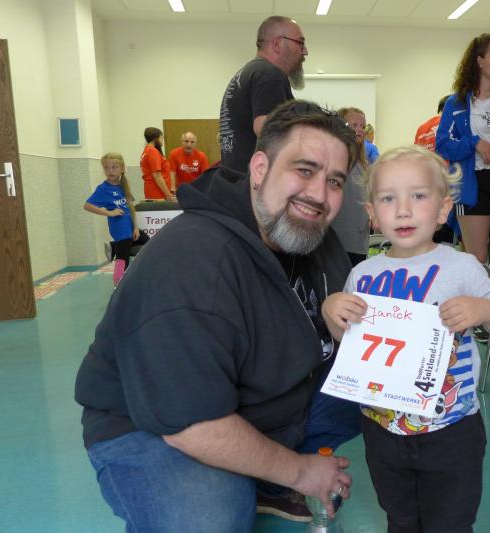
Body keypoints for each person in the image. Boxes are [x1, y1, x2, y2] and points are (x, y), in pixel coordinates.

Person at [75, 100, 362, 531]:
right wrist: (301, 472)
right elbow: (189, 424)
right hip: (152, 425)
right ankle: (264, 470)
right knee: (206, 520)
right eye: (304, 170)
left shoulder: (315, 240)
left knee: (378, 391)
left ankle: (262, 474)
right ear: (260, 168)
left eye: (334, 181)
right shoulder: (192, 260)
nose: (319, 195)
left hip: (259, 399)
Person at [322, 145, 490, 532]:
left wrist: (483, 309)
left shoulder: (461, 266)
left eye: (419, 196)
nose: (403, 210)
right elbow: (348, 341)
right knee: (400, 517)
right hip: (382, 427)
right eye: (388, 199)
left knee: (451, 521)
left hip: (451, 429)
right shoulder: (362, 275)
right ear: (372, 213)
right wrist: (331, 311)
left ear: (443, 209)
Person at [436, 33, 490, 267]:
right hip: (473, 186)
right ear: (480, 61)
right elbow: (442, 144)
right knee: (476, 259)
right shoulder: (456, 103)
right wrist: (474, 143)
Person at [219, 16, 306, 175]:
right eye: (300, 43)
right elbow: (266, 129)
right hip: (254, 184)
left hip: (235, 180)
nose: (305, 51)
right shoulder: (270, 75)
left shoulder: (248, 72)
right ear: (278, 44)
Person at [84, 153, 149, 286]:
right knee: (123, 259)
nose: (110, 171)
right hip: (120, 230)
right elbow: (88, 205)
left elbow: (130, 208)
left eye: (114, 167)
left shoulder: (123, 185)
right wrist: (109, 212)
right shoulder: (103, 189)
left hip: (130, 228)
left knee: (147, 242)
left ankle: (114, 247)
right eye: (106, 168)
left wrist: (136, 227)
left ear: (122, 169)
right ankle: (118, 284)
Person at [331, 107, 371, 266]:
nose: (359, 130)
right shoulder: (335, 160)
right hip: (339, 241)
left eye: (363, 126)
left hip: (359, 241)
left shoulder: (362, 164)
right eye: (354, 125)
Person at [140, 127, 174, 201]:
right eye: (161, 138)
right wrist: (168, 194)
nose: (162, 140)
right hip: (157, 192)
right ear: (156, 138)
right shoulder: (152, 151)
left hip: (154, 191)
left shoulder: (147, 150)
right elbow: (157, 175)